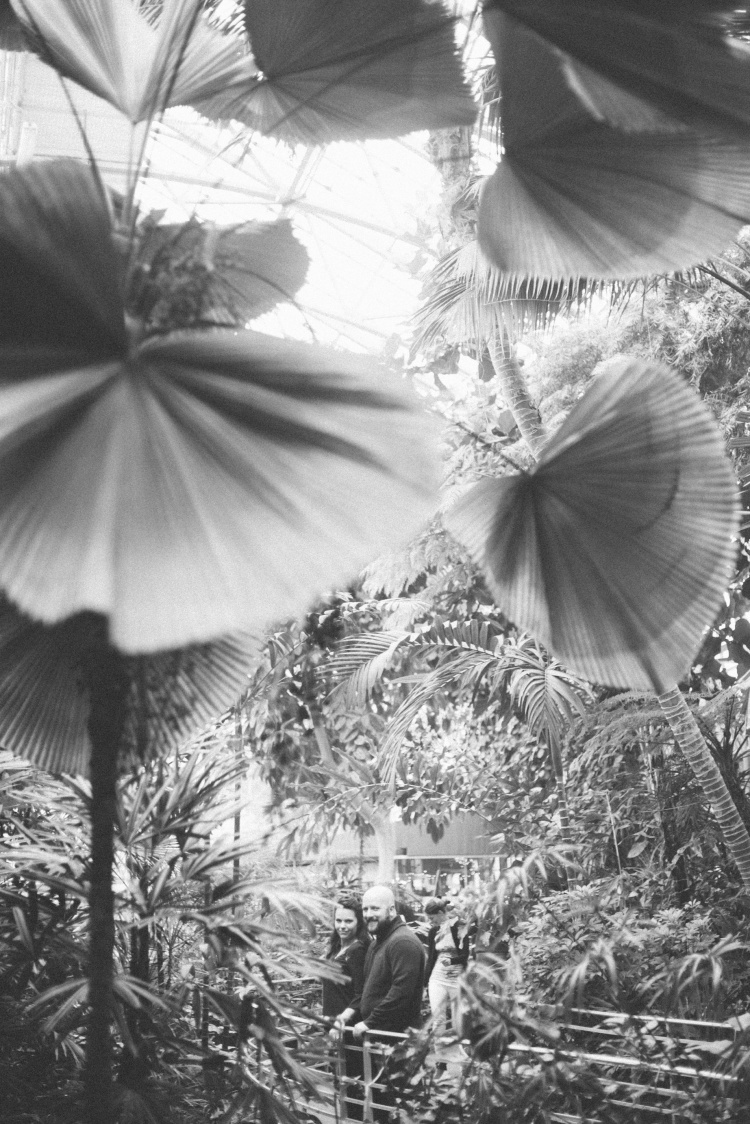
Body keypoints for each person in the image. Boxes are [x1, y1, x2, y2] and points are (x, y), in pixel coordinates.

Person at [338, 886, 426, 1122]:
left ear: (391, 909)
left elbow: (401, 993)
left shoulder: (402, 942)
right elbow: (370, 989)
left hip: (396, 1042)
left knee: (395, 1105)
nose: (368, 914)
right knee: (379, 1103)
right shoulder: (380, 942)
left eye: (375, 908)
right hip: (379, 1040)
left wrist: (370, 1022)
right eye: (365, 909)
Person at [324, 897, 369, 1121]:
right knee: (339, 1081)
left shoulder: (358, 950)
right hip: (333, 1026)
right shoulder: (338, 946)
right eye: (338, 920)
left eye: (348, 921)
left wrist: (342, 1019)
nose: (342, 926)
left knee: (350, 1082)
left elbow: (362, 994)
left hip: (348, 1027)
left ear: (358, 922)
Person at [423, 898, 470, 1044]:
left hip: (456, 979)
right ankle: (440, 1063)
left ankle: (462, 1062)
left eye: (432, 918)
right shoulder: (433, 932)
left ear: (440, 913)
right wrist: (425, 983)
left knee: (459, 1021)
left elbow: (465, 954)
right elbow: (431, 958)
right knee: (438, 1019)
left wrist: (452, 961)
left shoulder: (458, 927)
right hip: (437, 978)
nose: (431, 922)